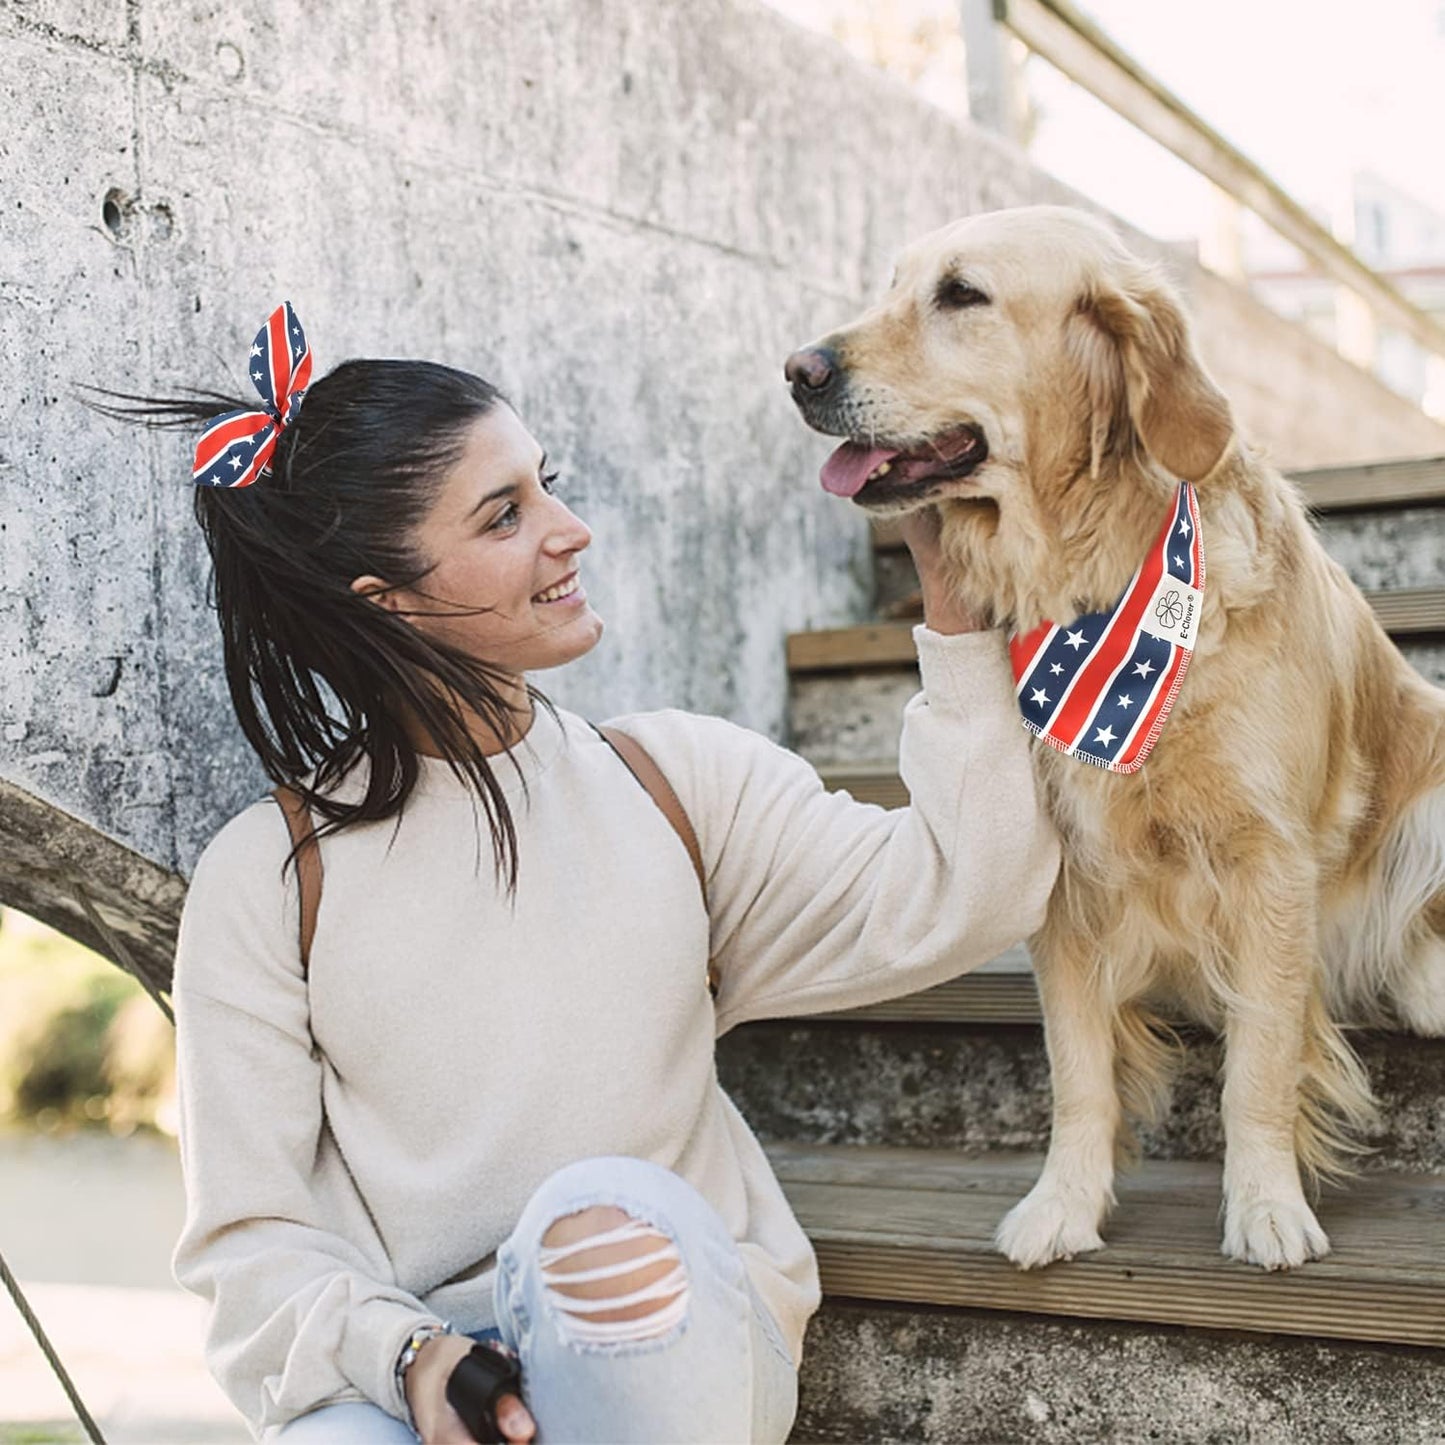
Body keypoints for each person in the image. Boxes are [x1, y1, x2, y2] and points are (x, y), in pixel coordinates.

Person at [116, 304, 1058, 1443]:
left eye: (545, 482)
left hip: (675, 1339)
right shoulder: (268, 879)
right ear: (390, 602)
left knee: (593, 1222)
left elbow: (970, 890)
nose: (570, 530)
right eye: (506, 513)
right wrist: (409, 1355)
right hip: (429, 1368)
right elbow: (250, 1242)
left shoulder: (673, 784)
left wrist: (957, 624)